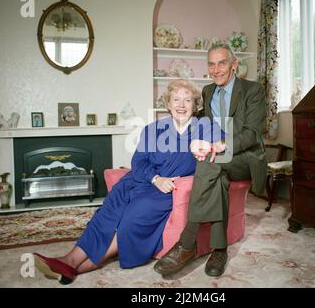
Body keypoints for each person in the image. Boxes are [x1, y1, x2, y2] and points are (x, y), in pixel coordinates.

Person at [32, 79, 222, 284]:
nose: (181, 105)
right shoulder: (152, 129)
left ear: (195, 105)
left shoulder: (205, 128)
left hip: (169, 190)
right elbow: (138, 162)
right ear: (168, 104)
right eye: (176, 99)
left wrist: (211, 146)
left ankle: (82, 264)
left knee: (133, 216)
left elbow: (224, 146)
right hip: (142, 181)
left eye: (187, 100)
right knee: (107, 213)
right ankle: (71, 260)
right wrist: (155, 178)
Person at [154, 43, 267, 277]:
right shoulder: (207, 91)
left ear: (234, 65)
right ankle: (220, 250)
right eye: (211, 64)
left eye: (222, 63)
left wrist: (221, 145)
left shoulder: (253, 90)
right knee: (217, 179)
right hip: (219, 159)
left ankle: (186, 243)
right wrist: (179, 113)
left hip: (245, 156)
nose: (216, 69)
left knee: (208, 161)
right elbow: (199, 118)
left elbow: (253, 133)